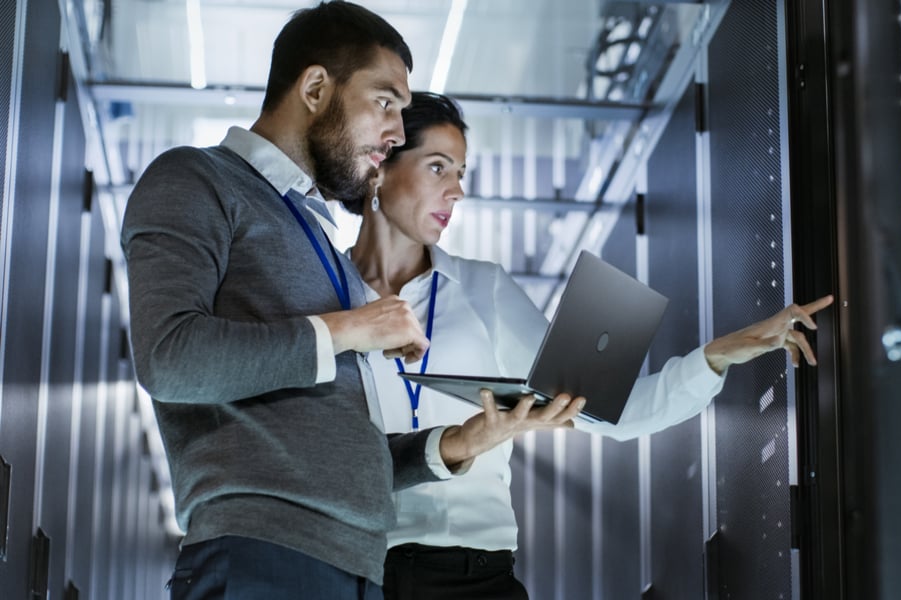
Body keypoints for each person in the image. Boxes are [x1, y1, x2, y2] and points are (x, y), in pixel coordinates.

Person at [120, 4, 582, 599]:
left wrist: (458, 443)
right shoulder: (196, 179)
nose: (394, 132)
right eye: (385, 102)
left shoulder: (315, 238)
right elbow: (169, 358)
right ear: (316, 87)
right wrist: (347, 330)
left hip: (355, 569)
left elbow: (343, 452)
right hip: (262, 556)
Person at [343, 91, 835, 599]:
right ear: (380, 166)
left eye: (461, 173)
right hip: (348, 570)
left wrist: (718, 355)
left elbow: (610, 412)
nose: (457, 191)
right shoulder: (324, 297)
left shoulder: (481, 289)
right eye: (439, 168)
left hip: (471, 577)